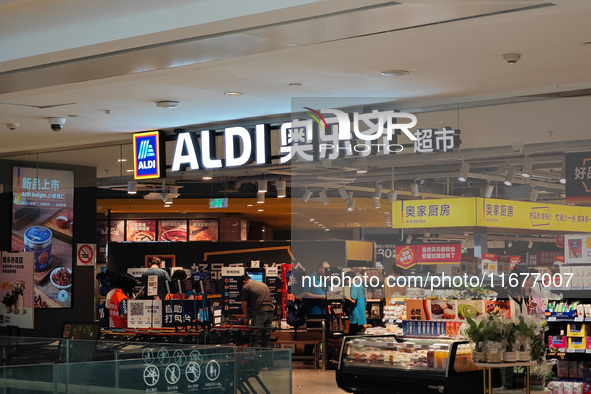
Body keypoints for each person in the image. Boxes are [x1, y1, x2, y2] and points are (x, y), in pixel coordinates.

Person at [240, 274, 275, 347]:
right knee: (266, 337)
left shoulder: (246, 287)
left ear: (244, 282)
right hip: (270, 311)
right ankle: (266, 356)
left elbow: (244, 305)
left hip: (260, 312)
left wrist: (246, 317)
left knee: (255, 336)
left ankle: (254, 357)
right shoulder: (263, 284)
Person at [346, 270, 367, 335]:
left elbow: (353, 300)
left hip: (356, 316)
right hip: (362, 316)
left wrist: (346, 297)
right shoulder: (361, 286)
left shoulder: (354, 286)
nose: (347, 283)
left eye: (346, 281)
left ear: (350, 278)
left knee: (352, 336)